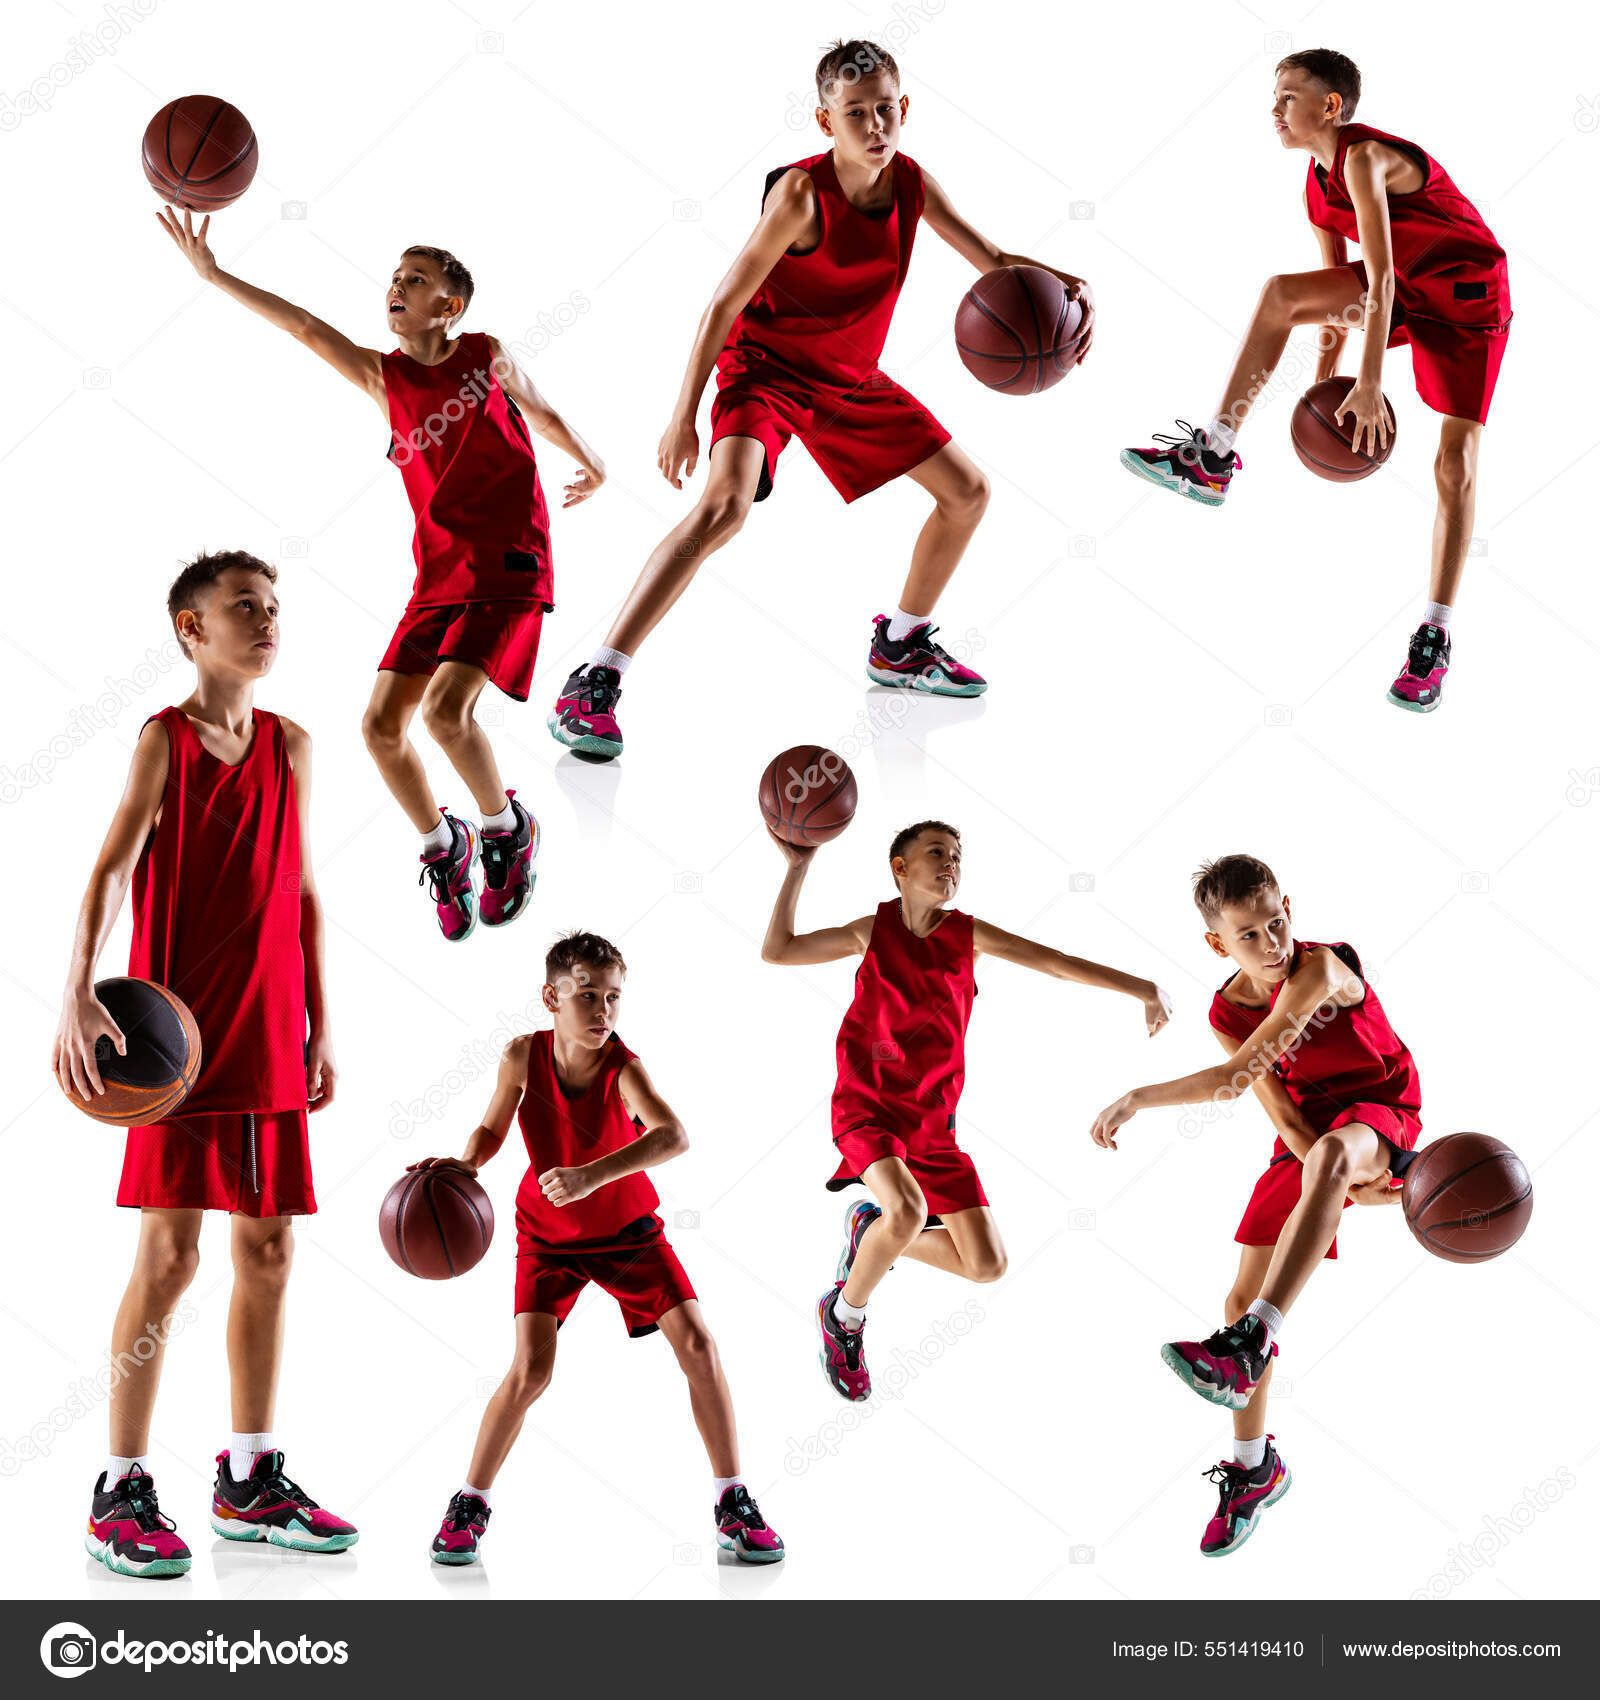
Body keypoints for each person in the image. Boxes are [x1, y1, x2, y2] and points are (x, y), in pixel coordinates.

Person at [548, 37, 1095, 762]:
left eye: (885, 112)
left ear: (905, 111)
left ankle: (901, 644)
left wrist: (1068, 288)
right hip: (766, 373)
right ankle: (597, 678)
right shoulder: (800, 196)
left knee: (968, 492)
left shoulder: (913, 185)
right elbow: (721, 304)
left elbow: (993, 263)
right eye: (856, 114)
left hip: (848, 379)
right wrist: (682, 414)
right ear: (824, 122)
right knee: (724, 509)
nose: (874, 127)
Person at [158, 215, 606, 935]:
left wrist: (594, 462)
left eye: (415, 280)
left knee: (444, 712)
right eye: (395, 278)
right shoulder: (384, 376)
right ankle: (443, 842)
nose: (396, 287)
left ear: (449, 307)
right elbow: (304, 326)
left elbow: (545, 414)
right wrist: (214, 274)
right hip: (437, 576)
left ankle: (504, 828)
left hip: (509, 562)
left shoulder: (486, 356)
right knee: (378, 727)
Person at [54, 551, 355, 1576]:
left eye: (273, 607)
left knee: (268, 1252)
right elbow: (108, 869)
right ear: (192, 629)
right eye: (243, 608)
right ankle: (119, 1486)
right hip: (173, 1043)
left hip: (269, 1028)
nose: (266, 622)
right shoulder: (164, 740)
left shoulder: (296, 746)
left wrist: (322, 1023)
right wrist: (76, 989)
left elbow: (306, 893)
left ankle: (250, 1474)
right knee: (170, 1257)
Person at [1121, 48, 1510, 713]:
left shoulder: (1363, 159)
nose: (1274, 109)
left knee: (1454, 463)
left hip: (1467, 301)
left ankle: (1434, 636)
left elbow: (1381, 278)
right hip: (1408, 292)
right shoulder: (1314, 181)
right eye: (1273, 98)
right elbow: (1335, 299)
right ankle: (1214, 453)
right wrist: (1325, 381)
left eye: (1286, 97)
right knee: (1281, 294)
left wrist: (1367, 383)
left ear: (1329, 107)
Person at [763, 816, 1170, 1402]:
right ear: (900, 869)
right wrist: (798, 868)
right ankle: (844, 1319)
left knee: (985, 1265)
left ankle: (870, 1232)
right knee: (909, 1211)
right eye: (936, 852)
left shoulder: (969, 935)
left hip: (933, 1129)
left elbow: (1054, 961)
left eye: (957, 854)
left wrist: (1142, 987)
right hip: (867, 1109)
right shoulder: (869, 931)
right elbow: (778, 951)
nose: (950, 862)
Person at [413, 931, 783, 1566]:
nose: (602, 1011)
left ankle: (732, 1501)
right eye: (588, 996)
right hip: (547, 1237)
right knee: (530, 1371)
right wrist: (466, 1162)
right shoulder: (518, 1056)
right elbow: (492, 1126)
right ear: (551, 997)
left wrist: (591, 1175)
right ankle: (469, 1504)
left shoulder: (623, 1066)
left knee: (698, 1343)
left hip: (627, 1233)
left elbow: (674, 1136)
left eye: (613, 997)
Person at [1088, 854, 1418, 1555]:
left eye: (1277, 923)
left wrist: (1140, 1096)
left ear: (1290, 906)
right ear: (1218, 944)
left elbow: (1238, 1078)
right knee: (1239, 1294)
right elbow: (1283, 1116)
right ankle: (1252, 1468)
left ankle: (1255, 1339)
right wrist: (1345, 1191)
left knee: (1325, 1170)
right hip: (1311, 1135)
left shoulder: (1321, 970)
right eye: (1251, 936)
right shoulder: (1228, 1010)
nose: (1272, 944)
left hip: (1378, 1109)